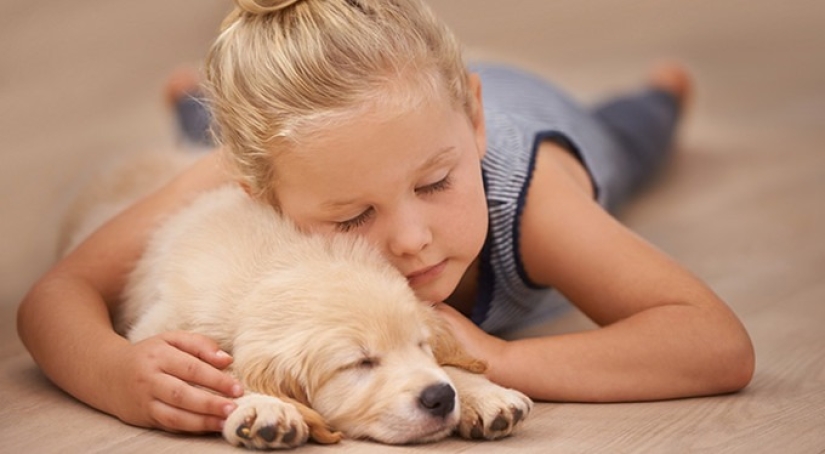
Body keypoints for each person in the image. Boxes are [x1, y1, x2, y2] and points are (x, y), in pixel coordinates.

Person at [17, 0, 754, 435]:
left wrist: (499, 361)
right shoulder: (243, 176)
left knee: (630, 137)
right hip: (377, 121)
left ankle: (663, 90)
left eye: (435, 185)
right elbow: (55, 296)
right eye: (351, 215)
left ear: (470, 121)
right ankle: (194, 98)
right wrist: (118, 375)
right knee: (201, 136)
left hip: (546, 116)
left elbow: (713, 345)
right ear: (260, 195)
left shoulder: (524, 200)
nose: (410, 238)